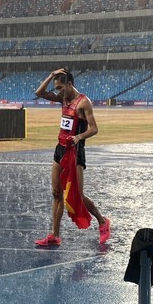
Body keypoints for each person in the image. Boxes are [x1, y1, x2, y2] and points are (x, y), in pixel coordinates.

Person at [34, 68, 110, 246]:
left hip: (75, 152)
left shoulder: (84, 102)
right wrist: (51, 75)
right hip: (60, 149)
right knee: (56, 193)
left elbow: (94, 128)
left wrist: (79, 137)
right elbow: (39, 93)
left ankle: (102, 221)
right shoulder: (63, 98)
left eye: (61, 87)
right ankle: (55, 235)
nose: (59, 92)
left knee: (76, 195)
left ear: (70, 84)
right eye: (57, 88)